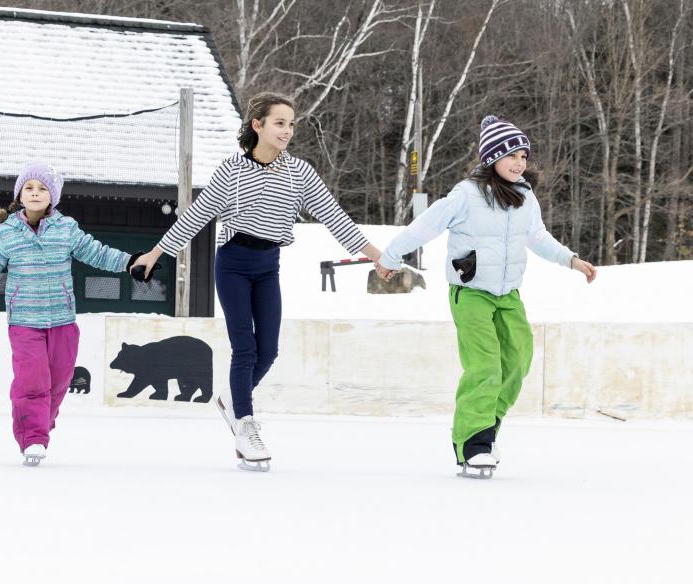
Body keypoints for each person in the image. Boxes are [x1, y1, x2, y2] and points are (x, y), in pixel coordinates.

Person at [131, 92, 387, 471]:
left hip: (269, 265)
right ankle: (245, 426)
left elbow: (335, 217)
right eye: (279, 122)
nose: (287, 130)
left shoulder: (299, 173)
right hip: (233, 263)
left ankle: (233, 401)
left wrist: (376, 256)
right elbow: (196, 215)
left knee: (269, 351)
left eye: (291, 124)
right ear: (258, 125)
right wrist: (156, 253)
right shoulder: (232, 170)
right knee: (245, 349)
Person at [376, 116, 598, 478]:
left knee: (518, 358)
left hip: (508, 294)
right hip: (471, 292)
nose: (519, 162)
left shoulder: (525, 197)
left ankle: (485, 424)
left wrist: (571, 260)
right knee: (484, 365)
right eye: (511, 155)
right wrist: (390, 256)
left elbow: (538, 238)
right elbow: (425, 226)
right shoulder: (466, 194)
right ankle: (474, 443)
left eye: (524, 156)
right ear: (492, 157)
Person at [0, 161, 145, 466]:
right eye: (29, 188)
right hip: (25, 322)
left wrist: (129, 261)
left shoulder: (67, 229)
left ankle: (38, 424)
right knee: (31, 381)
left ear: (52, 196)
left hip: (63, 321)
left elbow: (97, 252)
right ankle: (33, 436)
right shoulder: (7, 233)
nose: (35, 193)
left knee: (59, 383)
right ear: (20, 195)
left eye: (42, 188)